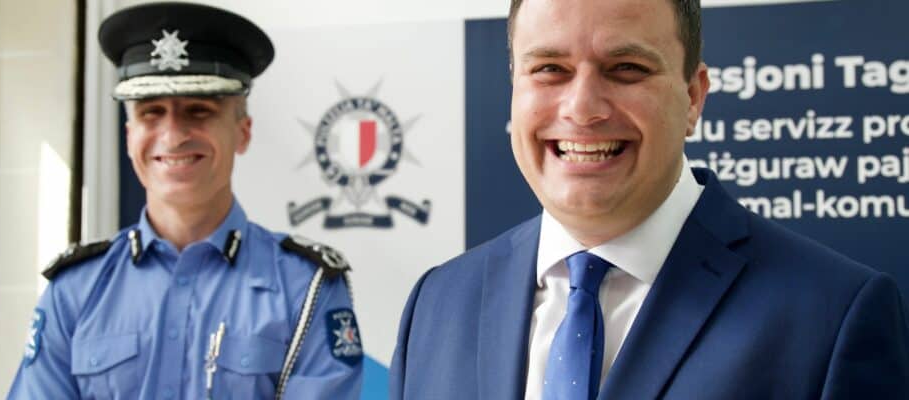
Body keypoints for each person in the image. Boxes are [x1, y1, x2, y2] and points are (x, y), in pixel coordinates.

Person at [389, 0, 909, 398]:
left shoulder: (834, 316)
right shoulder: (438, 302)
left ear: (694, 97)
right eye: (549, 69)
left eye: (627, 69)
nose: (582, 108)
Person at [8, 3, 363, 399]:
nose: (173, 136)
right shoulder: (74, 290)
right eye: (151, 112)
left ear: (243, 132)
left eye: (199, 111)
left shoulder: (306, 287)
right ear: (129, 137)